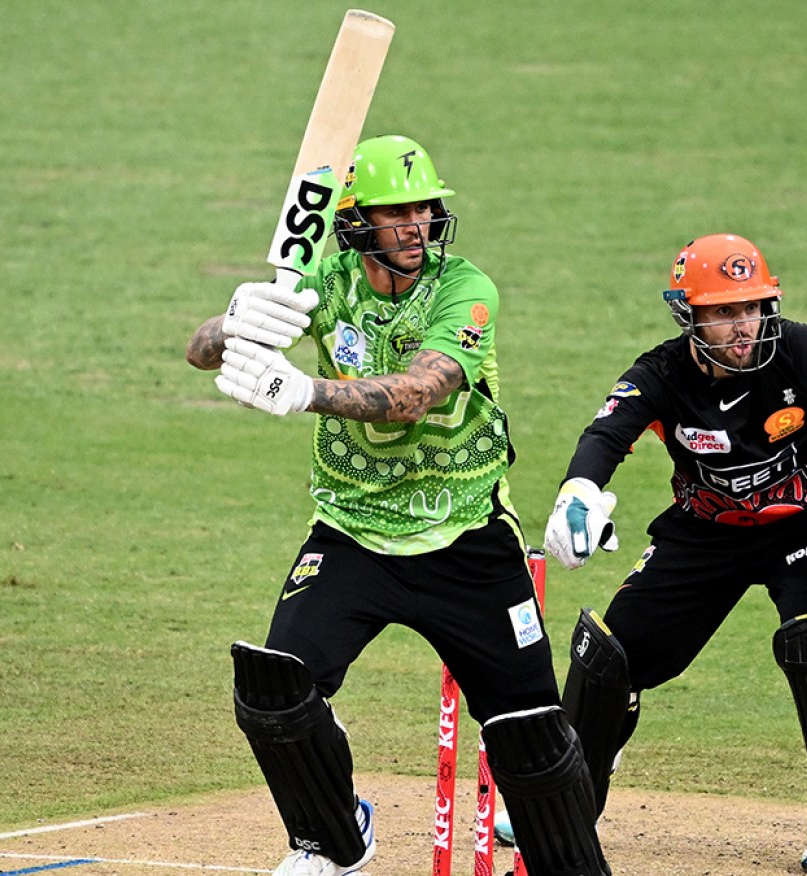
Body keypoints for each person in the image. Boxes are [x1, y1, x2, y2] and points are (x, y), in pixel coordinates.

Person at [186, 134, 610, 876]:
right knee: (275, 691)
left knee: (531, 736)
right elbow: (197, 350)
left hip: (468, 541)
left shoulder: (465, 288)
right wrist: (240, 324)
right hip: (351, 532)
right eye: (396, 212)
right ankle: (333, 839)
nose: (416, 225)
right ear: (354, 223)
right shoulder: (325, 278)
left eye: (425, 207)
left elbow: (417, 392)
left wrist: (304, 391)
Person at [540, 233, 807, 874]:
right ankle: (567, 803)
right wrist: (580, 495)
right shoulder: (660, 374)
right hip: (705, 530)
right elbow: (606, 434)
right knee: (609, 658)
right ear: (690, 315)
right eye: (724, 311)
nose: (744, 325)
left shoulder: (803, 350)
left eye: (753, 307)